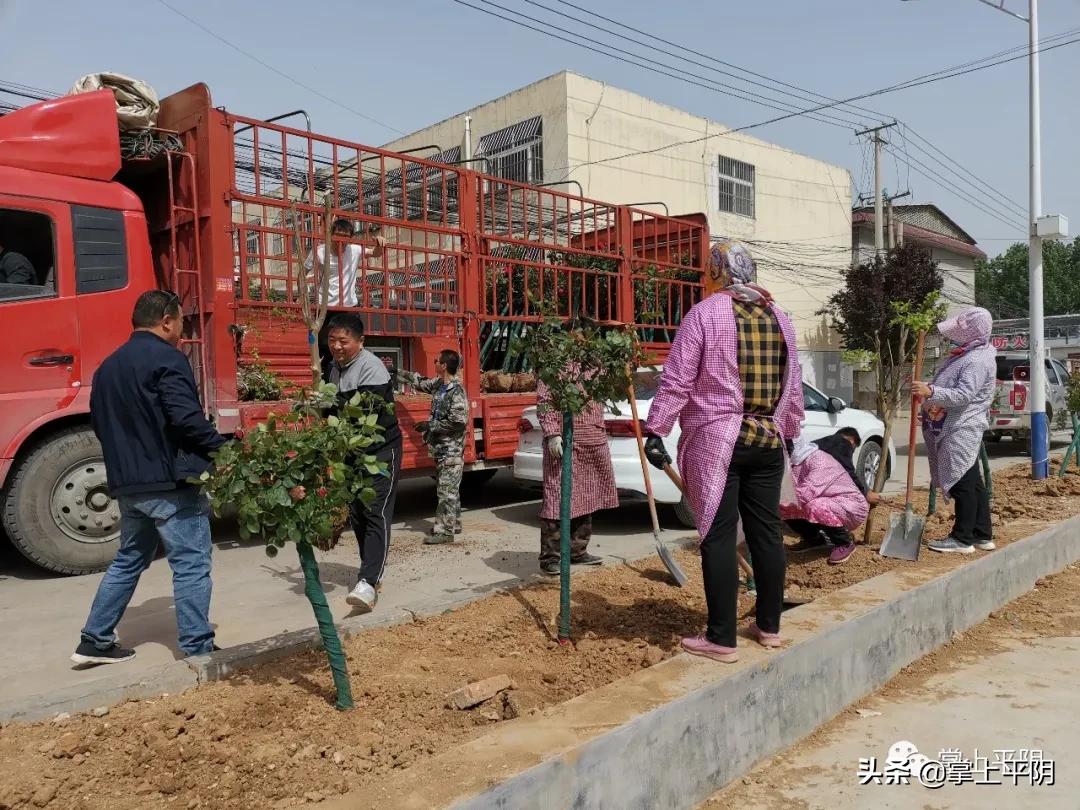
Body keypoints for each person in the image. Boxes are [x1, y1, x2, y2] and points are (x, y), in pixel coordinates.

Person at [644, 245, 803, 663]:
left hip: (719, 441)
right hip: (768, 439)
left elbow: (678, 380)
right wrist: (789, 432)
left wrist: (656, 428)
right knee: (766, 533)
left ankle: (720, 638)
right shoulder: (780, 318)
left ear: (716, 271)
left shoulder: (704, 314)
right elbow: (796, 387)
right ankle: (768, 627)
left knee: (716, 534)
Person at [72, 291, 228, 665]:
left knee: (128, 559)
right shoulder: (168, 360)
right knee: (191, 563)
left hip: (130, 485)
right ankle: (197, 646)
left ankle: (94, 639)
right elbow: (186, 420)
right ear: (167, 320)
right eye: (180, 323)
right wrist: (224, 449)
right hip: (169, 483)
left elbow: (100, 423)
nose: (180, 332)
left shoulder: (107, 367)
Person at [325, 313, 402, 611]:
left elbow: (366, 422)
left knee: (375, 512)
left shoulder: (371, 368)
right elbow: (333, 412)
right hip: (352, 453)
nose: (337, 346)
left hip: (379, 451)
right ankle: (370, 571)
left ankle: (369, 582)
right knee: (356, 513)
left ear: (360, 341)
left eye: (343, 341)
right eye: (332, 340)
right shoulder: (334, 368)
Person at [912, 307, 996, 555]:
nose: (954, 337)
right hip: (955, 424)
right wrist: (930, 408)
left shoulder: (976, 359)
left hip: (961, 428)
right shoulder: (971, 354)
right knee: (972, 482)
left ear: (973, 332)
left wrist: (931, 392)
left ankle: (962, 538)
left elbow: (964, 395)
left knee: (962, 483)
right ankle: (981, 533)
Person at [536, 336, 617, 576]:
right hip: (566, 441)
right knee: (557, 497)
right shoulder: (556, 366)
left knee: (587, 495)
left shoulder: (598, 365)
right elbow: (545, 402)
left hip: (593, 439)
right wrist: (552, 433)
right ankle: (551, 557)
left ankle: (577, 551)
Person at [782, 428, 885, 565]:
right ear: (853, 440)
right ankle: (814, 540)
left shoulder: (819, 458)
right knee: (783, 508)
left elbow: (807, 492)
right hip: (825, 499)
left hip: (850, 505)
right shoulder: (794, 462)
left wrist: (865, 493)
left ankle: (844, 543)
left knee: (814, 506)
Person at [398, 350, 468, 544]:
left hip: (451, 449)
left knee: (446, 490)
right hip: (440, 449)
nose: (434, 363)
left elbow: (458, 422)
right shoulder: (439, 385)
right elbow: (420, 382)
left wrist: (431, 425)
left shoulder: (457, 391)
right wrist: (395, 371)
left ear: (444, 365)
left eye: (437, 361)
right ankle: (453, 523)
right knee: (448, 487)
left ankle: (445, 532)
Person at [304, 218, 385, 308]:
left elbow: (375, 253)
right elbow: (303, 273)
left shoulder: (354, 250)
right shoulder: (319, 251)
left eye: (345, 237)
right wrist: (302, 296)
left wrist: (379, 244)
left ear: (350, 238)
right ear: (331, 235)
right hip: (325, 306)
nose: (341, 240)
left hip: (349, 304)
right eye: (338, 235)